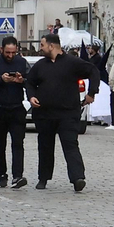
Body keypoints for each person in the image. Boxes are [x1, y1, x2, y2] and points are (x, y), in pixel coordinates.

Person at [27, 32, 99, 191]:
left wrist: (91, 93)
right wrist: (31, 96)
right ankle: (43, 178)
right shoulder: (40, 65)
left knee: (70, 145)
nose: (41, 48)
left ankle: (77, 178)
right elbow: (30, 83)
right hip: (45, 114)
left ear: (51, 46)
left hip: (67, 113)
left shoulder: (72, 62)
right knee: (45, 146)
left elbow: (93, 71)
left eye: (43, 45)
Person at [0, 37, 29, 188]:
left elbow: (31, 81)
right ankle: (2, 174)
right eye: (7, 52)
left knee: (18, 143)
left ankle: (17, 175)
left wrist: (21, 80)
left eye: (13, 52)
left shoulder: (22, 62)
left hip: (17, 107)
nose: (10, 56)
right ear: (1, 50)